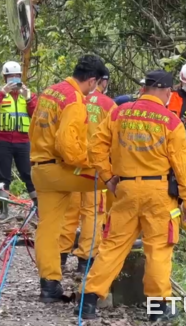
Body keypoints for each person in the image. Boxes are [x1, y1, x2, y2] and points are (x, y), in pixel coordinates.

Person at [76, 69, 186, 321]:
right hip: (159, 193)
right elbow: (183, 166)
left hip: (126, 189)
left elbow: (96, 147)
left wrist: (110, 178)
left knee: (112, 246)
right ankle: (157, 311)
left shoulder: (119, 112)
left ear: (143, 88)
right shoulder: (172, 122)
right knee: (158, 251)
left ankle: (87, 301)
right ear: (166, 92)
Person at [29, 54, 108, 303]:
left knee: (48, 227)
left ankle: (49, 285)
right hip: (59, 170)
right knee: (116, 182)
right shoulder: (75, 100)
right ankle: (111, 246)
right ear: (93, 81)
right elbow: (68, 147)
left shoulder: (51, 91)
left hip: (39, 169)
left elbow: (33, 128)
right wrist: (93, 163)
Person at [59, 67, 116, 273]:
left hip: (72, 166)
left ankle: (60, 257)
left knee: (69, 212)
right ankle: (86, 260)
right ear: (102, 81)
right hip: (95, 169)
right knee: (93, 214)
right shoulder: (109, 105)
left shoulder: (74, 98)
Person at [0, 61, 38, 220]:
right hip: (2, 141)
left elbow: (37, 114)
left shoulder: (27, 94)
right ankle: (3, 210)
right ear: (4, 78)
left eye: (16, 76)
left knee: (29, 175)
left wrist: (28, 99)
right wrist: (2, 93)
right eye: (9, 77)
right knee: (3, 177)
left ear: (20, 77)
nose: (13, 79)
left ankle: (38, 208)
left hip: (23, 142)